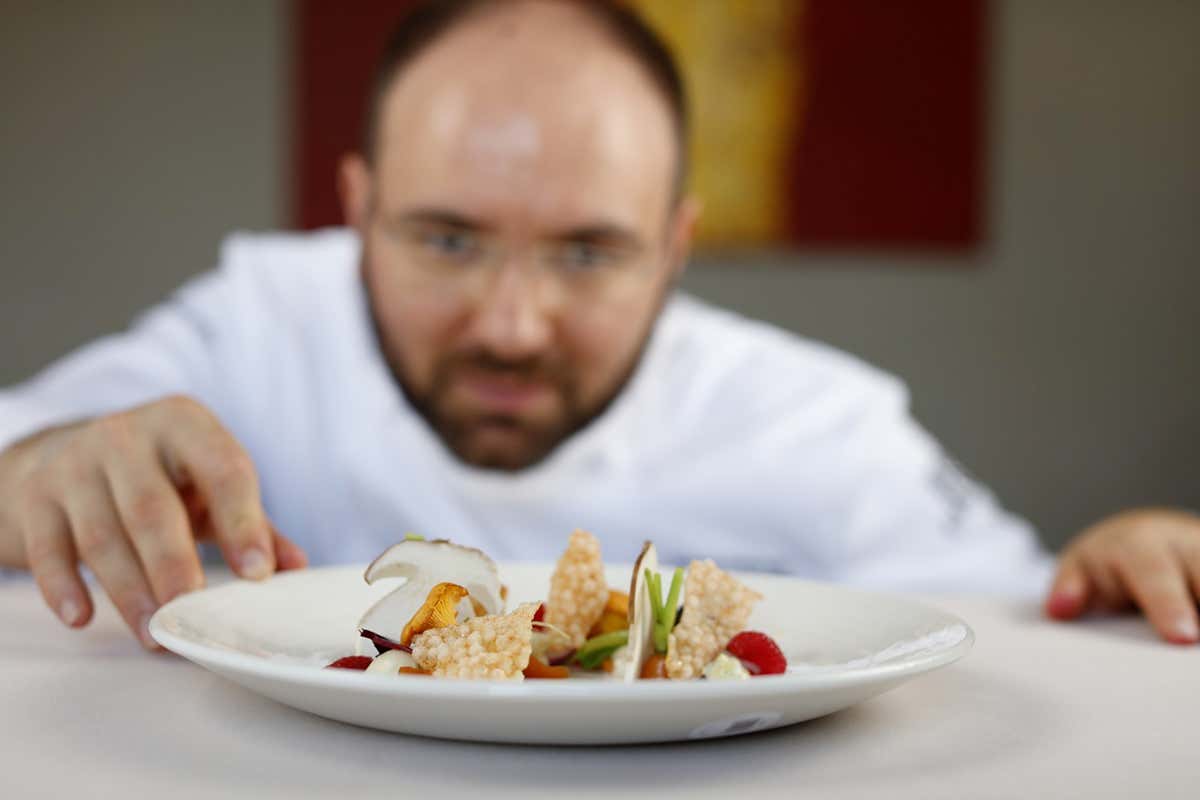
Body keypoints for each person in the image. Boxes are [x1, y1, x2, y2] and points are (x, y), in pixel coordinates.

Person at [0, 0, 1194, 650]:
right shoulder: (257, 330)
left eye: (588, 251)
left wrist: (1127, 556)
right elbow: (25, 467)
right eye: (447, 239)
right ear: (356, 211)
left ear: (675, 244)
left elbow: (1043, 613)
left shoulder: (814, 420)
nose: (514, 326)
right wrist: (48, 469)